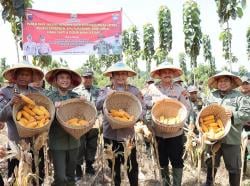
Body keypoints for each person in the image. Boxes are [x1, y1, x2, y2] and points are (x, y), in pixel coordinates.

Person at [96, 61, 145, 186]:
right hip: (110, 134)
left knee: (131, 165)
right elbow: (97, 105)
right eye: (117, 74)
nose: (120, 77)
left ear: (127, 75)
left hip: (128, 136)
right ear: (111, 76)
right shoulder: (105, 90)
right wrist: (106, 96)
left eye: (123, 74)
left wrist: (136, 119)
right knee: (113, 165)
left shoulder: (134, 91)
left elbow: (142, 108)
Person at [144, 62, 191, 186]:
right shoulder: (152, 88)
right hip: (158, 132)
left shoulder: (180, 89)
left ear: (173, 75)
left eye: (169, 72)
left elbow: (187, 108)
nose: (167, 74)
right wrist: (150, 111)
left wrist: (181, 123)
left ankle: (176, 184)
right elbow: (145, 104)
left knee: (177, 160)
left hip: (175, 132)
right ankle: (165, 183)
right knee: (162, 160)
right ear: (159, 74)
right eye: (164, 72)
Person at [204, 71, 250, 186]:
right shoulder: (212, 95)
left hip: (231, 137)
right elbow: (204, 111)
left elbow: (247, 113)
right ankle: (209, 183)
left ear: (231, 82)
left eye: (225, 81)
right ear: (217, 83)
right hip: (213, 136)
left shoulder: (239, 97)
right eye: (220, 81)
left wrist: (233, 113)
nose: (222, 83)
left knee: (234, 167)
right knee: (211, 163)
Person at [0, 62, 44, 179]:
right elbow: (1, 117)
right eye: (21, 74)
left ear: (31, 77)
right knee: (16, 177)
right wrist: (11, 103)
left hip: (35, 141)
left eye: (27, 75)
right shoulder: (5, 92)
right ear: (15, 76)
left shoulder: (37, 92)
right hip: (16, 142)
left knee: (36, 176)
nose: (24, 77)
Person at [45, 68, 82, 186]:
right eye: (61, 78)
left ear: (71, 81)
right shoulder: (49, 97)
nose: (64, 80)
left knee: (71, 176)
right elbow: (44, 116)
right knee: (60, 177)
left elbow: (81, 115)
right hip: (57, 141)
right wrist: (53, 108)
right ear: (55, 80)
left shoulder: (75, 96)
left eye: (67, 78)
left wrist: (83, 103)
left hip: (74, 141)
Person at [74, 69, 100, 178]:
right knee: (79, 145)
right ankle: (78, 168)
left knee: (92, 145)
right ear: (82, 78)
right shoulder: (75, 91)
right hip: (81, 122)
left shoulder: (98, 91)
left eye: (89, 77)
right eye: (85, 77)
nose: (87, 79)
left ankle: (89, 166)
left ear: (92, 78)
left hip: (94, 123)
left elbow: (102, 104)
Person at [239, 76, 250, 175]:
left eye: (247, 83)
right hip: (239, 128)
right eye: (243, 84)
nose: (245, 86)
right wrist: (242, 122)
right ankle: (242, 172)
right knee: (241, 151)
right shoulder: (236, 97)